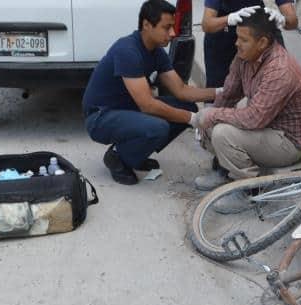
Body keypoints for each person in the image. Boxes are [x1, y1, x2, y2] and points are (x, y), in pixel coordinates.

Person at [82, 0, 215, 185]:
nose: (173, 33)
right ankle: (118, 157)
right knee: (159, 126)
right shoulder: (127, 50)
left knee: (187, 106)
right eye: (166, 27)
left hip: (127, 110)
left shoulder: (156, 52)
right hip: (100, 117)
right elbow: (147, 105)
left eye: (173, 27)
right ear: (146, 25)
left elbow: (182, 90)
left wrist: (219, 93)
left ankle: (135, 153)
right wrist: (192, 119)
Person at [193, 7, 301, 211]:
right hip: (265, 130)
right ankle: (226, 169)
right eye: (237, 37)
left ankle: (252, 190)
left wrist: (212, 115)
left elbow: (253, 119)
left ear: (263, 43)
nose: (236, 43)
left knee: (222, 132)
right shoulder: (244, 57)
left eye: (243, 39)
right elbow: (229, 94)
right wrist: (207, 117)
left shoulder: (280, 69)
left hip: (287, 142)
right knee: (211, 120)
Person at [202, 0, 298, 89]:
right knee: (219, 91)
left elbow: (293, 22)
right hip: (223, 28)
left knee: (279, 73)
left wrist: (282, 20)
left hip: (256, 26)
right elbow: (207, 24)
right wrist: (229, 19)